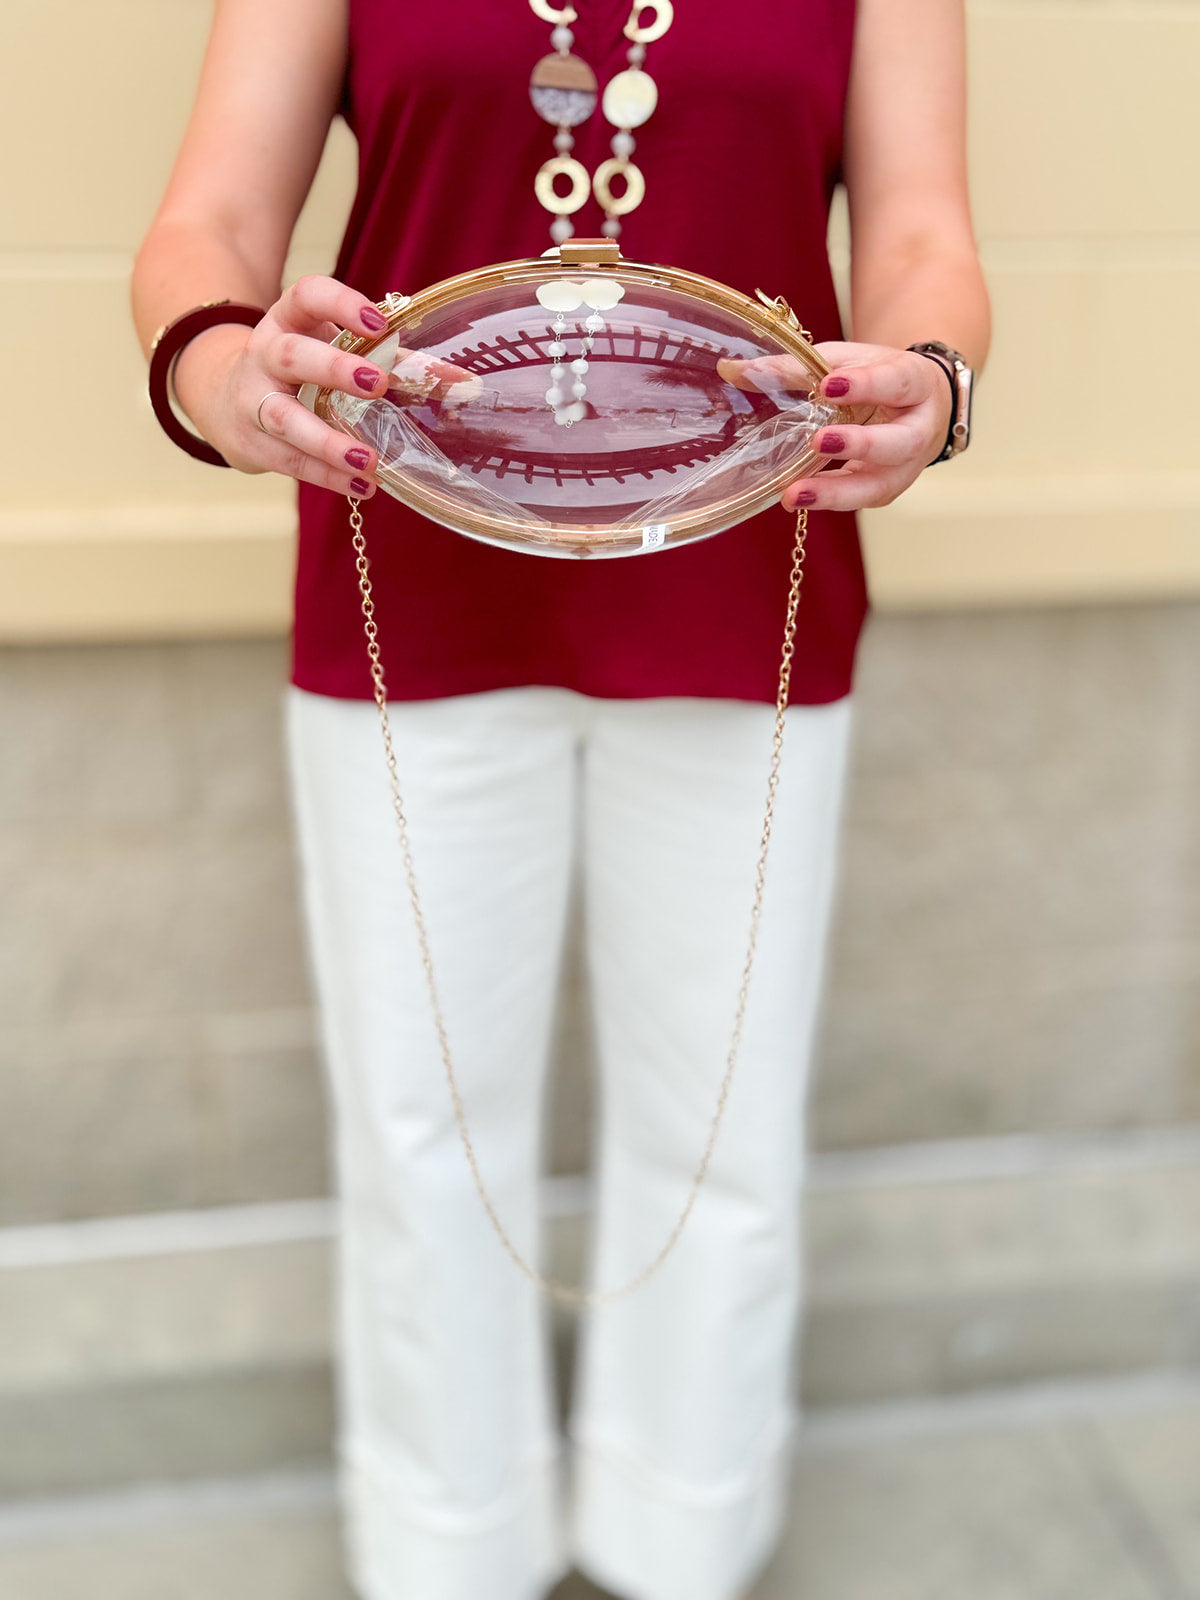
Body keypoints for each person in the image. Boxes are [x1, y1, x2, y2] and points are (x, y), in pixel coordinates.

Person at [131, 3, 990, 1597]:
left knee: (724, 1120)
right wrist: (217, 365)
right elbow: (208, 226)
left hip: (751, 572)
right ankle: (446, 1549)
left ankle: (686, 1537)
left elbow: (923, 235)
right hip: (409, 576)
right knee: (422, 1124)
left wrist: (934, 379)